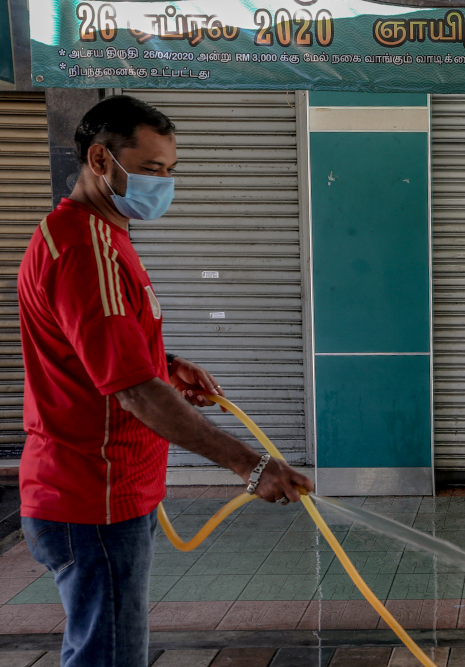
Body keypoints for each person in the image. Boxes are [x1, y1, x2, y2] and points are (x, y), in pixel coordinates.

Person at [17, 95, 315, 667]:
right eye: (152, 169)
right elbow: (131, 390)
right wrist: (248, 465)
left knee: (101, 649)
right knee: (108, 658)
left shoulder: (96, 235)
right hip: (93, 497)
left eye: (170, 171)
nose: (163, 183)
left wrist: (163, 359)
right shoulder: (87, 248)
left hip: (96, 492)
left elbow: (94, 343)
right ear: (100, 160)